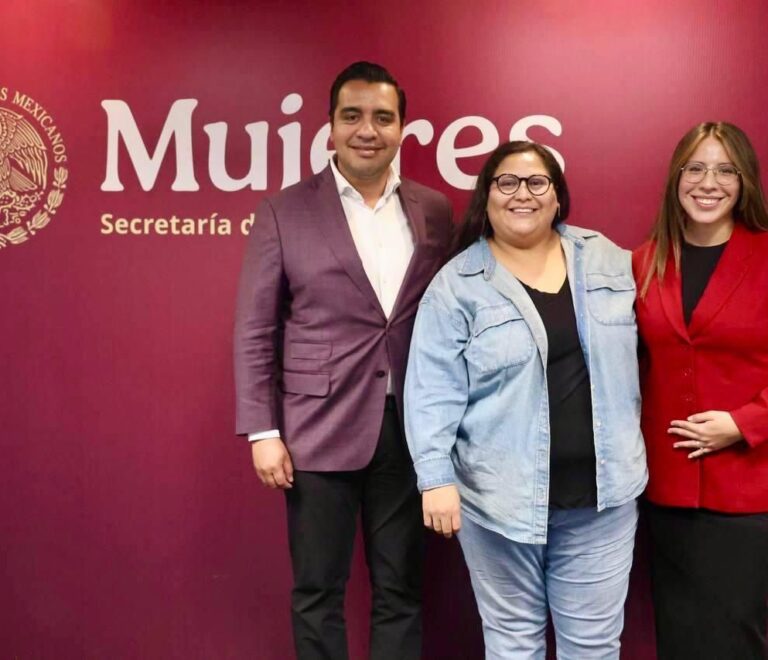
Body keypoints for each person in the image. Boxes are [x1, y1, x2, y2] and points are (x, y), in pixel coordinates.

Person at [233, 61, 454, 660]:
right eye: (352, 116)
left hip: (409, 429)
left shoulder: (434, 210)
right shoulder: (284, 211)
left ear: (402, 127)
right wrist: (263, 431)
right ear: (330, 126)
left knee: (401, 591)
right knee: (317, 592)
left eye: (383, 117)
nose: (367, 130)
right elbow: (256, 328)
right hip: (315, 429)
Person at [404, 140, 647, 659]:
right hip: (497, 503)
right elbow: (431, 389)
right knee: (513, 646)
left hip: (602, 502)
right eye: (507, 182)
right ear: (486, 196)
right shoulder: (456, 285)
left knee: (594, 649)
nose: (522, 194)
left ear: (557, 197)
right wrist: (435, 478)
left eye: (537, 182)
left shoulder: (607, 260)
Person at [633, 122, 768, 660]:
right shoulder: (644, 261)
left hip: (748, 490)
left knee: (734, 640)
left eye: (725, 170)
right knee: (679, 638)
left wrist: (744, 423)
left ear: (744, 181)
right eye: (696, 168)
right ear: (677, 177)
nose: (708, 183)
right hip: (666, 492)